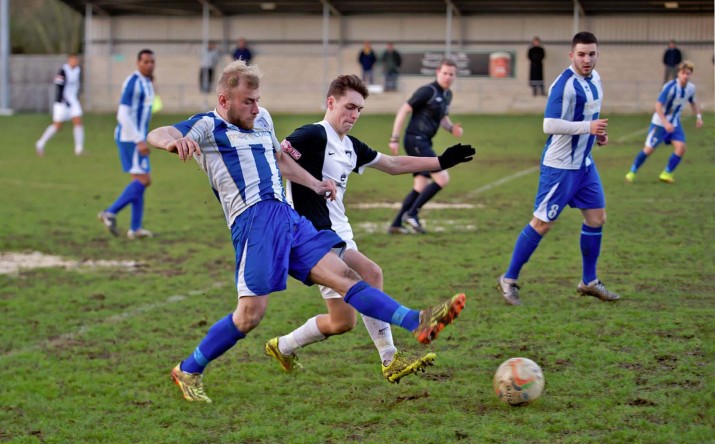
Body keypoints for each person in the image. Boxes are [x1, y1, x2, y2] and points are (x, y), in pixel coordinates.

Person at [146, 60, 467, 403]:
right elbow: (158, 133)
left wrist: (315, 183)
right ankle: (188, 368)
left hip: (287, 217)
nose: (257, 108)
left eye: (257, 99)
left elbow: (281, 161)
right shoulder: (206, 126)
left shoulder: (263, 118)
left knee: (347, 274)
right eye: (247, 102)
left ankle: (416, 320)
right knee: (250, 316)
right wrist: (169, 143)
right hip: (253, 223)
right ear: (224, 100)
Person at [268, 74, 475, 383]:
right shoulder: (312, 135)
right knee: (370, 273)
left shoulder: (350, 146)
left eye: (359, 110)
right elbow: (277, 157)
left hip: (339, 232)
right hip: (312, 235)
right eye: (349, 107)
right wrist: (311, 183)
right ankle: (395, 352)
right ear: (331, 102)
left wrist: (440, 162)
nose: (354, 115)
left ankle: (282, 345)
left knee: (342, 322)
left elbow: (391, 164)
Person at [496, 31, 620, 306]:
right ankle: (509, 279)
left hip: (584, 165)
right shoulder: (563, 85)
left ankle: (588, 281)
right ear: (571, 55)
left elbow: (591, 113)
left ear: (597, 54)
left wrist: (596, 134)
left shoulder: (596, 79)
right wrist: (586, 128)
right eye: (581, 54)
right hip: (560, 167)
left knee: (597, 218)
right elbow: (549, 125)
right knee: (542, 224)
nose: (587, 59)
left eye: (592, 54)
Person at [387, 58, 463, 234]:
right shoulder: (427, 91)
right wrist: (394, 138)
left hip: (424, 141)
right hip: (415, 140)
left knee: (420, 185)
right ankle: (412, 213)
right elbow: (403, 110)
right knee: (442, 178)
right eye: (445, 73)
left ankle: (397, 224)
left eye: (451, 74)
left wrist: (452, 128)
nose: (448, 77)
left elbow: (442, 117)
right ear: (438, 72)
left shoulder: (447, 94)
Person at [97, 49, 156, 240]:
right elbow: (122, 114)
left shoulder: (147, 83)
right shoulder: (134, 82)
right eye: (145, 61)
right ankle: (110, 212)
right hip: (130, 138)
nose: (149, 65)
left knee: (140, 181)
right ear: (138, 62)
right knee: (144, 180)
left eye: (152, 62)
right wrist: (139, 140)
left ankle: (135, 229)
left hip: (135, 137)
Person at [625, 60, 703, 184]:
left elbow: (693, 102)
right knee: (649, 149)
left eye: (688, 73)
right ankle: (632, 172)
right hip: (660, 123)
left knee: (681, 147)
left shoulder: (691, 88)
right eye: (683, 73)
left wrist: (698, 117)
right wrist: (665, 123)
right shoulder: (670, 87)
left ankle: (666, 173)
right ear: (678, 73)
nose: (685, 76)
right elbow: (658, 105)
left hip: (675, 123)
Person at [35, 54, 85, 156]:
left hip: (73, 101)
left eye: (76, 60)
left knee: (78, 122)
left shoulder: (78, 70)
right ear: (69, 61)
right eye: (73, 60)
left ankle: (79, 149)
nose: (75, 62)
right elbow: (59, 86)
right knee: (58, 126)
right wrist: (64, 99)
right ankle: (40, 143)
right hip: (62, 102)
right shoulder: (63, 71)